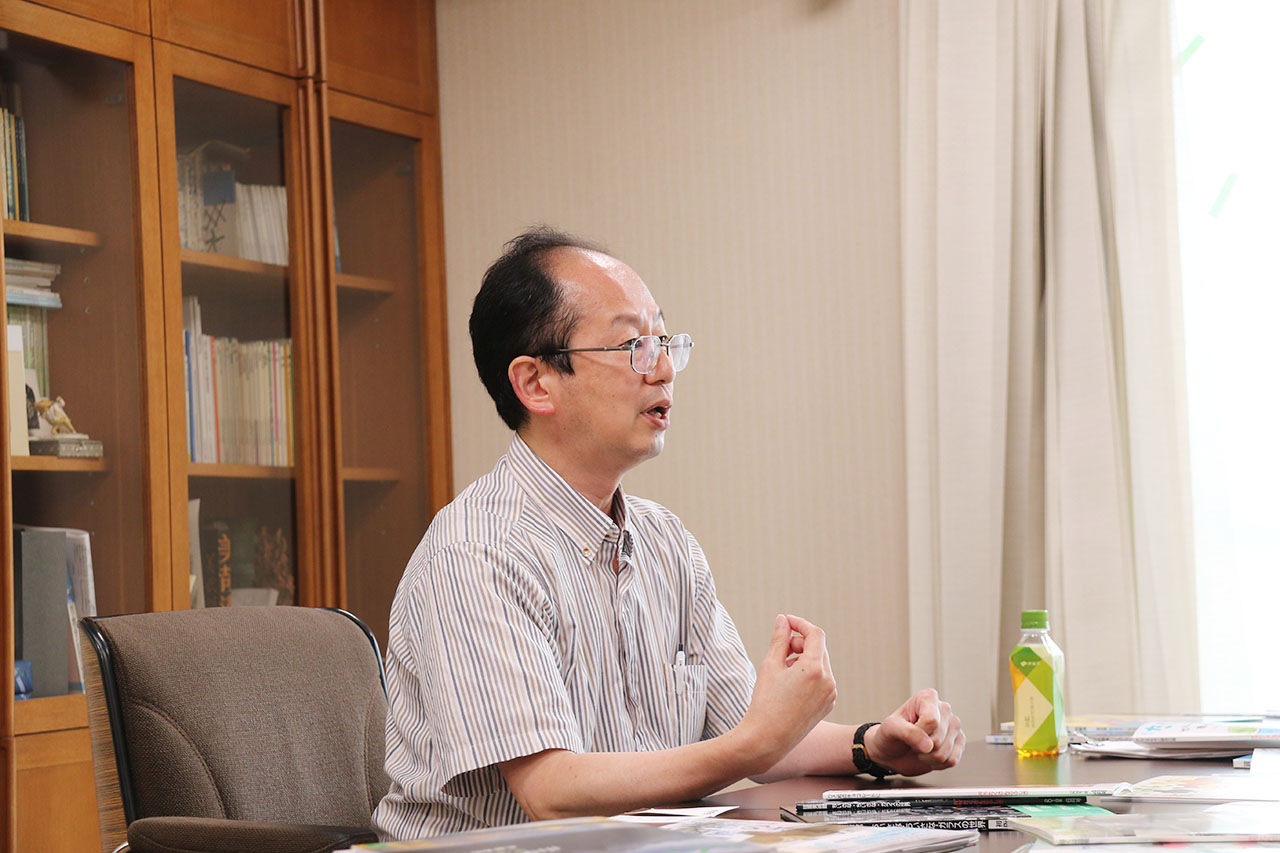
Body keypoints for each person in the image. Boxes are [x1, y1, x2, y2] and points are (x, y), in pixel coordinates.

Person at [372, 227, 965, 840]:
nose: (662, 370)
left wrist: (874, 744)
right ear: (536, 383)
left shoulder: (665, 541)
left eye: (663, 341)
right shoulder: (477, 550)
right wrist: (753, 743)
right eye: (632, 344)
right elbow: (551, 792)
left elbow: (751, 734)